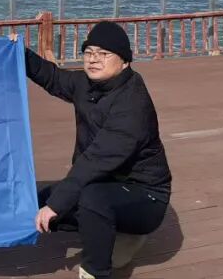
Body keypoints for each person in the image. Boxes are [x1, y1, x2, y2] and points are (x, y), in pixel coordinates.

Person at [12, 21, 171, 279]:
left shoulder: (132, 106)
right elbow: (53, 77)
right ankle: (109, 230)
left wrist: (56, 206)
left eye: (104, 53)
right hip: (103, 182)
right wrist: (19, 52)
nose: (94, 59)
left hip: (145, 195)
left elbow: (95, 161)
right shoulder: (86, 84)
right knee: (40, 202)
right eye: (89, 52)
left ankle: (98, 269)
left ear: (125, 61)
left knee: (89, 199)